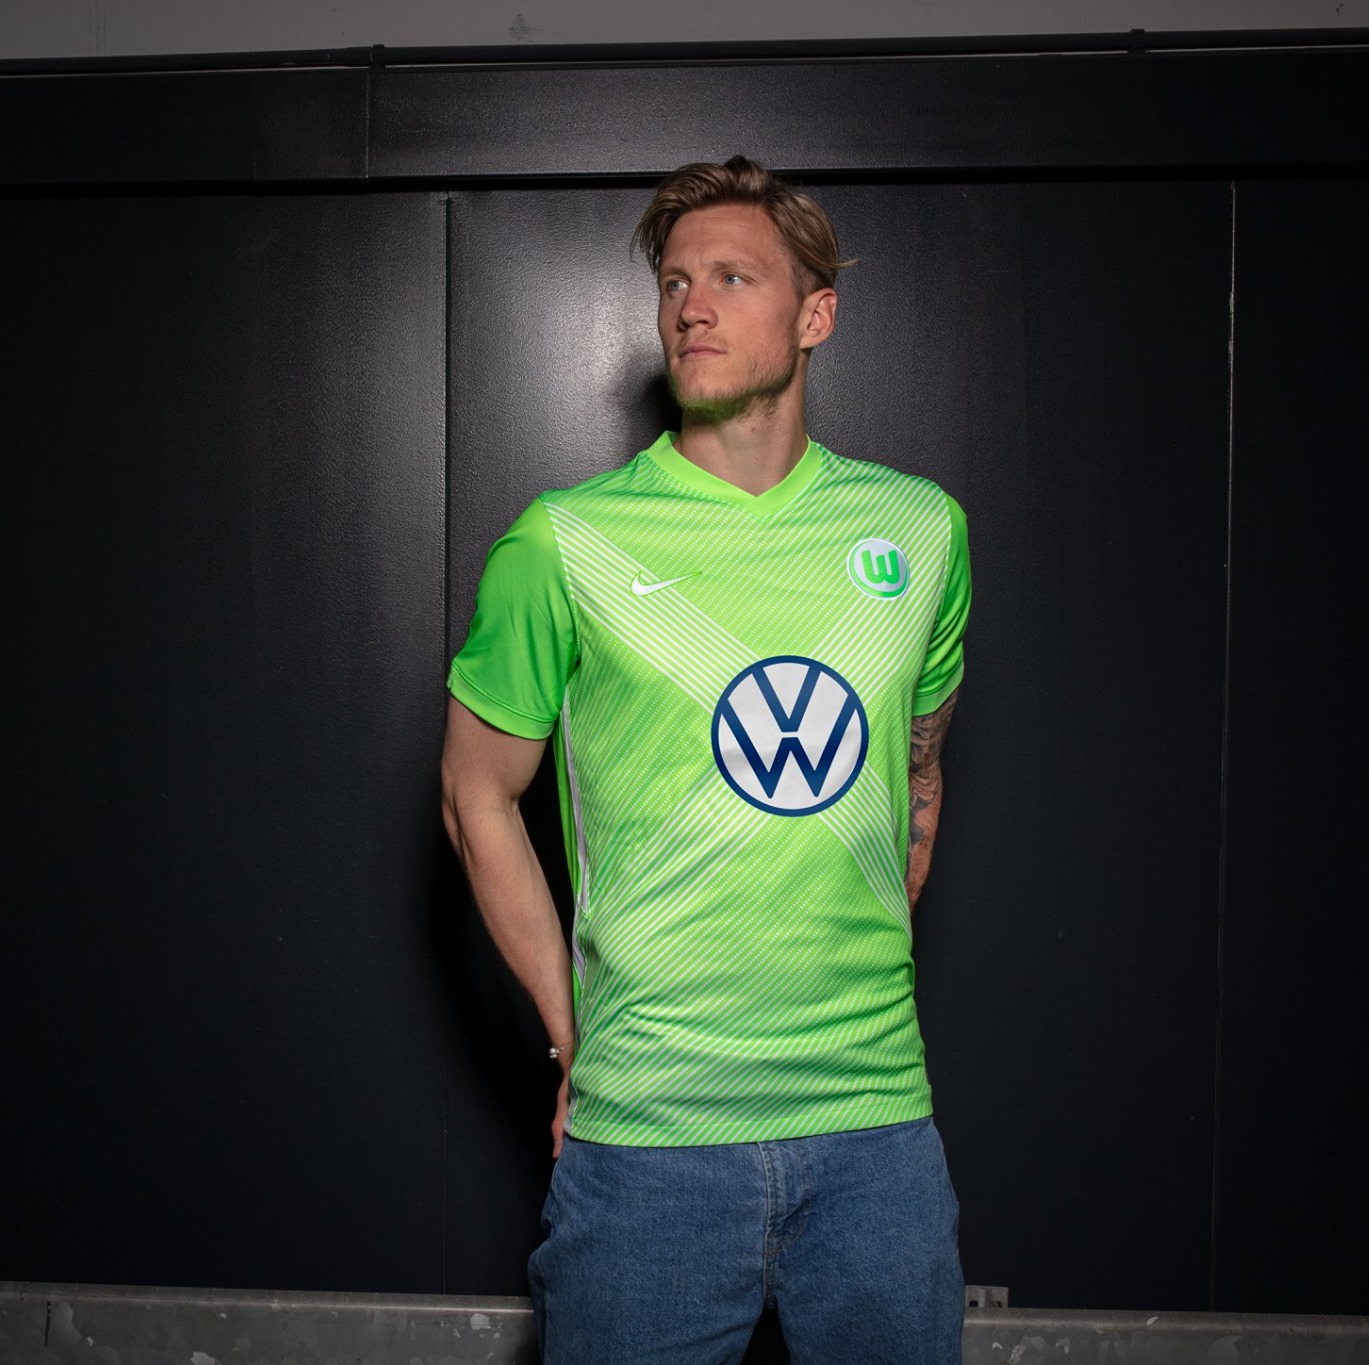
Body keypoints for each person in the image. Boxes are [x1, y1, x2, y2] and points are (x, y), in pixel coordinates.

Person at [439, 157, 972, 1364]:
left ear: (814, 315)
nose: (691, 306)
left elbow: (916, 771)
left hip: (876, 1138)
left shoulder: (919, 531)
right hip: (650, 1147)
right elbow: (475, 796)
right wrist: (572, 1032)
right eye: (675, 282)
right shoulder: (565, 543)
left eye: (733, 278)